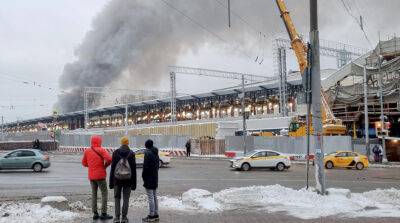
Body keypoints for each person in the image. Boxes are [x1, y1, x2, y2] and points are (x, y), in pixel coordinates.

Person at [82, 135, 113, 221]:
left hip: (91, 176)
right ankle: (103, 213)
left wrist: (91, 166)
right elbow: (109, 159)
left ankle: (95, 213)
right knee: (104, 193)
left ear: (91, 141)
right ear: (99, 142)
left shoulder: (87, 151)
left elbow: (84, 163)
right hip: (100, 176)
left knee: (94, 193)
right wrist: (104, 166)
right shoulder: (102, 150)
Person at [109, 136, 136, 223]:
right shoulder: (131, 153)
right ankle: (124, 218)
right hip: (128, 180)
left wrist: (111, 182)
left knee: (117, 198)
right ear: (128, 143)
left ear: (121, 143)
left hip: (117, 180)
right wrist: (134, 184)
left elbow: (113, 168)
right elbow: (133, 170)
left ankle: (117, 218)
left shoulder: (115, 153)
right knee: (126, 199)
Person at [142, 139, 160, 222]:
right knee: (154, 196)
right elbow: (157, 166)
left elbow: (145, 167)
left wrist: (144, 177)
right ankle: (156, 214)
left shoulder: (147, 153)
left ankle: (151, 215)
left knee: (150, 197)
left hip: (149, 178)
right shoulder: (156, 152)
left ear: (146, 145)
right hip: (155, 177)